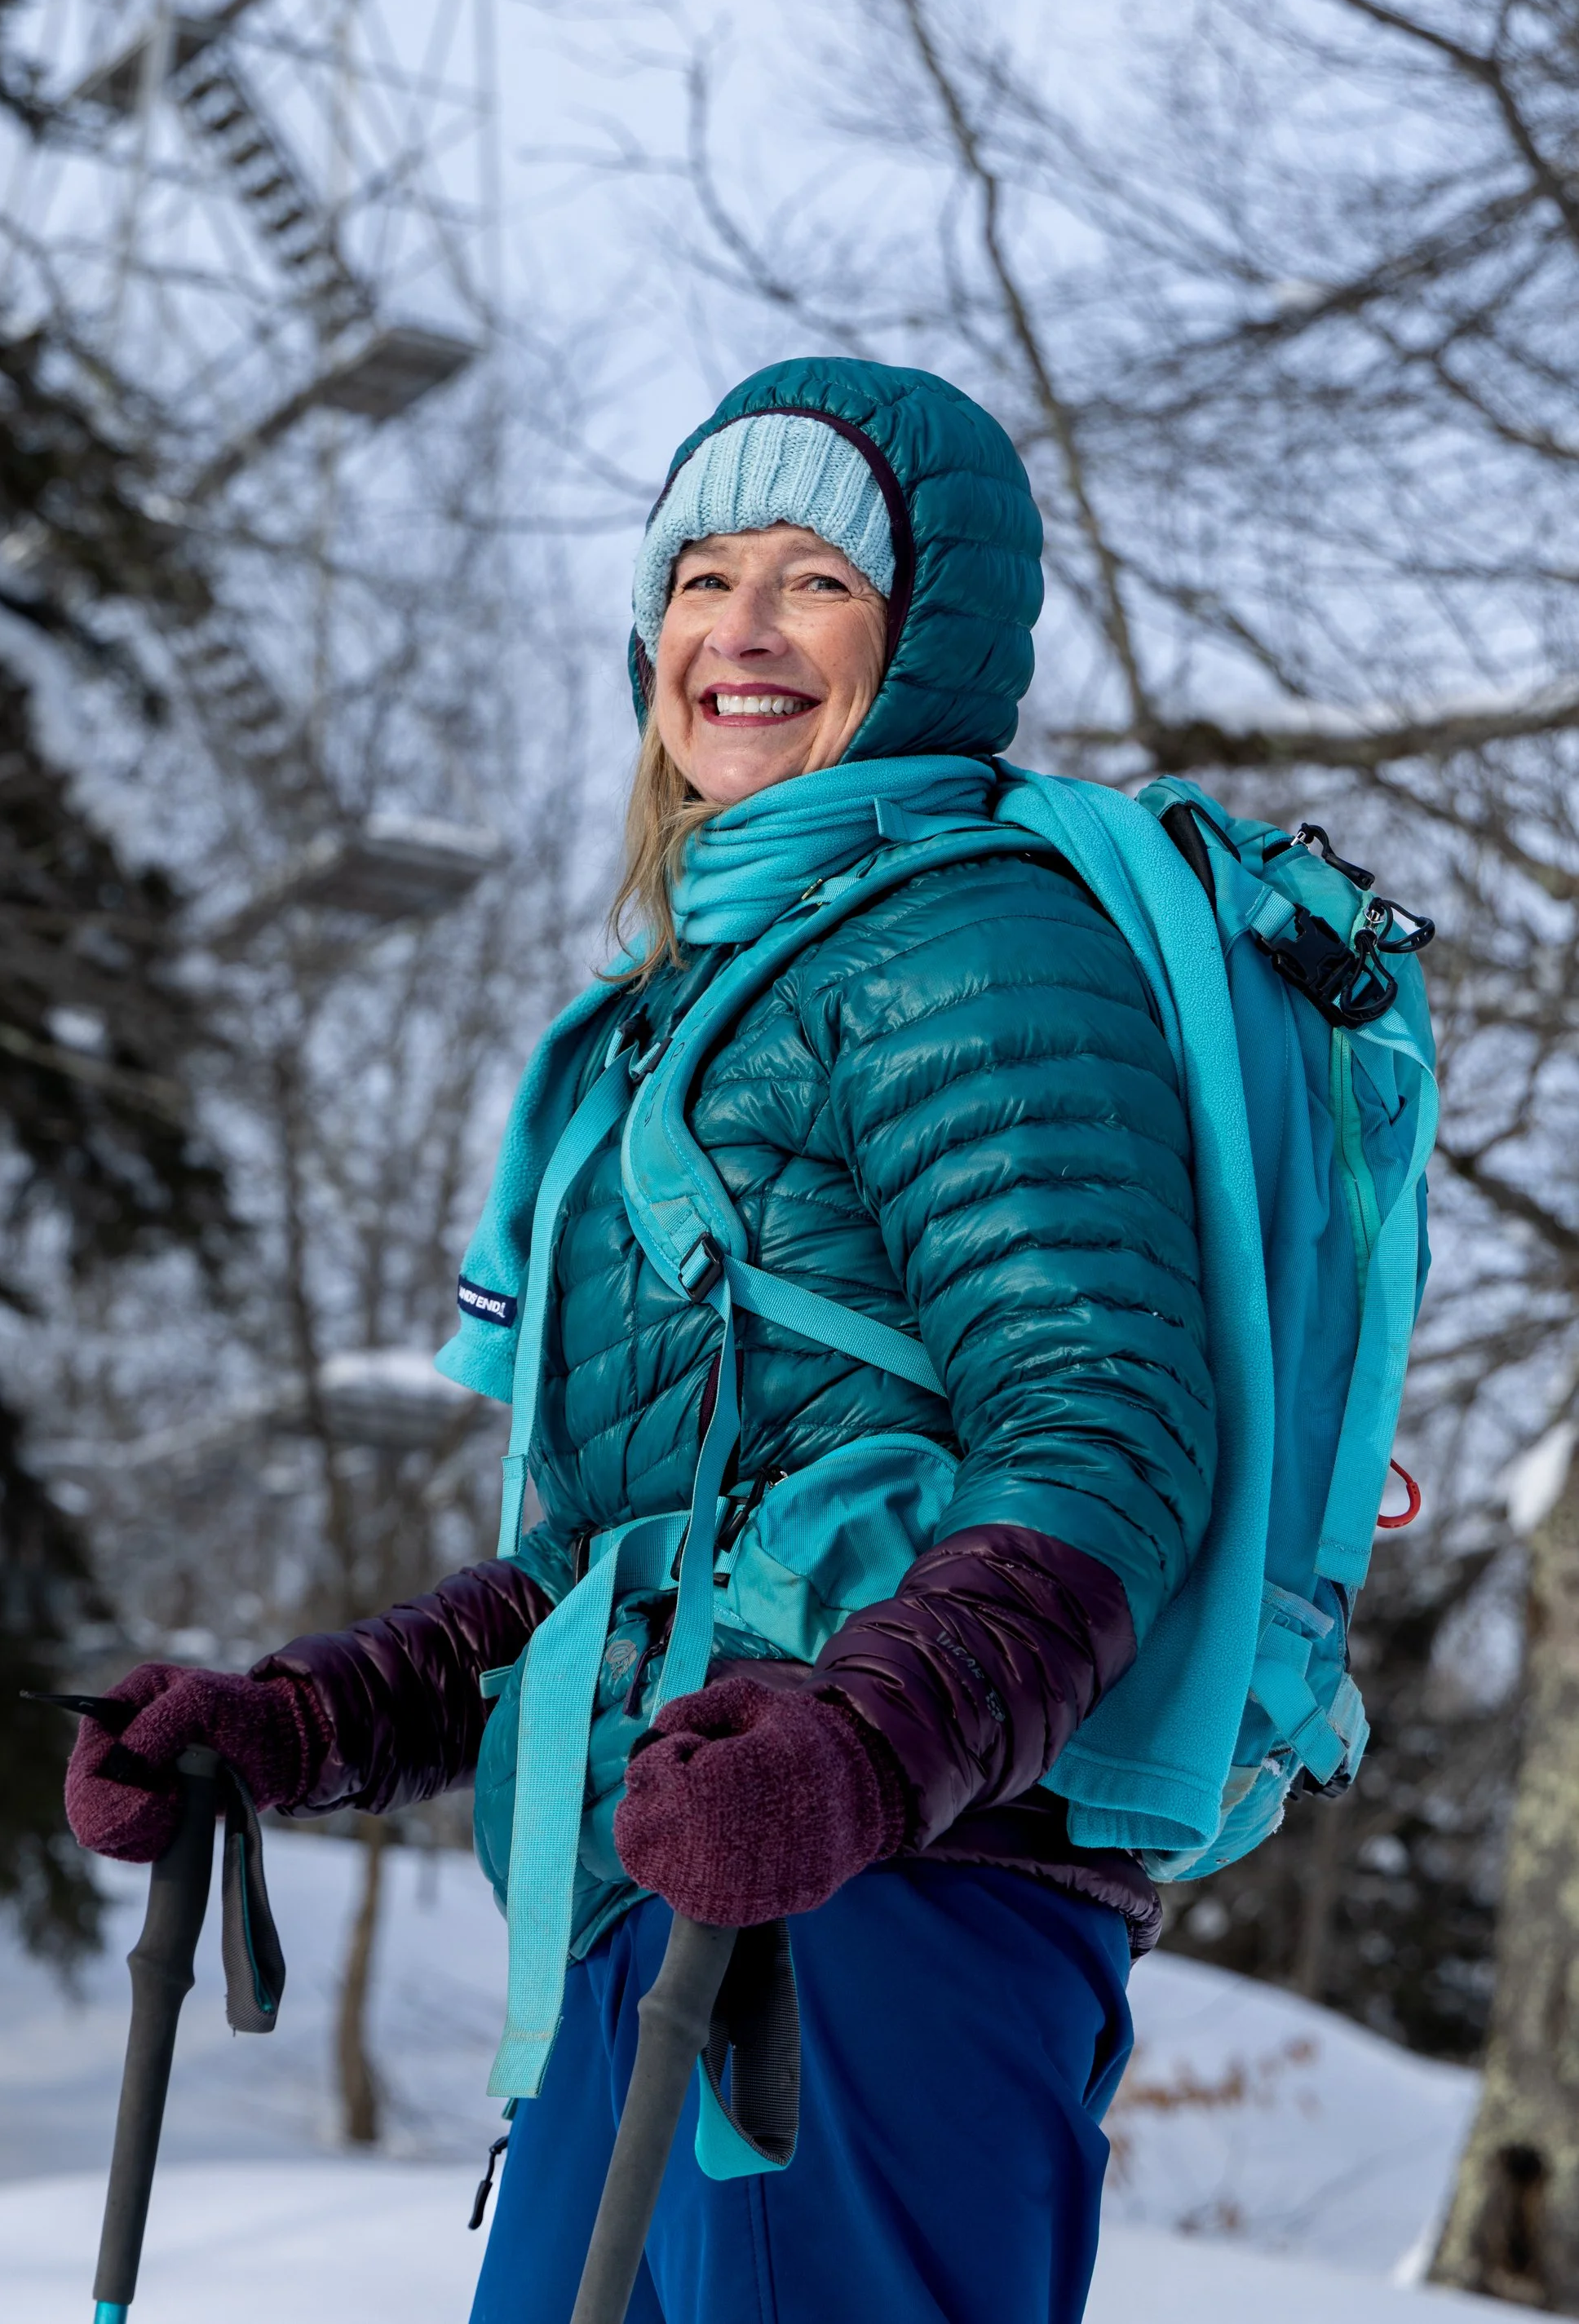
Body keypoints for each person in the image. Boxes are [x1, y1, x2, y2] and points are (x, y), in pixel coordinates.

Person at [64, 357, 1215, 2324]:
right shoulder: (681, 1007)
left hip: (879, 1913)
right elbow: (607, 1567)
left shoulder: (973, 944)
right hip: (649, 1892)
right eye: (697, 574)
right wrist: (300, 1722)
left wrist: (855, 1751)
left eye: (809, 578)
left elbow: (1101, 1427)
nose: (737, 631)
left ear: (920, 629)